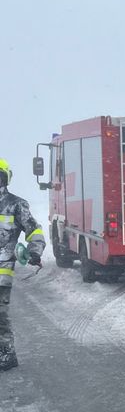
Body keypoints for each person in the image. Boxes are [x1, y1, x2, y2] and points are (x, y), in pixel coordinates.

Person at [0, 159, 45, 371]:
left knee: (0, 315)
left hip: (2, 271)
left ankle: (7, 354)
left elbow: (34, 231)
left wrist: (35, 253)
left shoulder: (16, 204)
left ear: (5, 178)